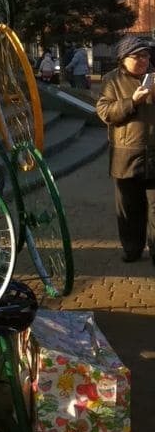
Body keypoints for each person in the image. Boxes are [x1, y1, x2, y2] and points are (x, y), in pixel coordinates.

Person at [95, 34, 155, 264]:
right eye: (137, 56)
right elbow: (105, 112)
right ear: (123, 59)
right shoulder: (112, 80)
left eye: (146, 55)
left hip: (154, 154)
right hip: (126, 155)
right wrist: (133, 101)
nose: (143, 60)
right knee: (129, 209)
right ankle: (132, 249)